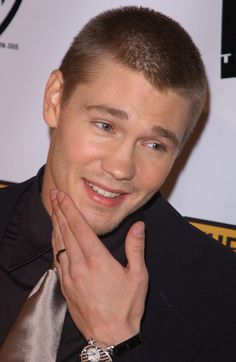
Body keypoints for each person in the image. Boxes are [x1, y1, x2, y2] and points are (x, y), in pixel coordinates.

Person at [0, 5, 235, 362]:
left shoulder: (220, 293)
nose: (121, 167)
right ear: (55, 100)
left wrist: (116, 339)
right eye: (106, 126)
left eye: (155, 145)